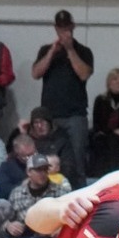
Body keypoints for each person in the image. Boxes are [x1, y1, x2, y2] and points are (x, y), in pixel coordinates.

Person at [30, 11, 92, 184]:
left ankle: (80, 193)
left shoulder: (83, 51)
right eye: (60, 28)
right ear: (56, 29)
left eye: (67, 27)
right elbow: (36, 73)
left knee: (78, 159)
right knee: (48, 159)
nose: (64, 31)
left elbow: (84, 74)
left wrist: (70, 49)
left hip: (75, 115)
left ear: (72, 27)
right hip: (51, 115)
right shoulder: (46, 50)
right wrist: (51, 52)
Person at [89, 67, 119, 177]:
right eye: (115, 79)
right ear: (109, 82)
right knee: (98, 141)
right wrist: (112, 131)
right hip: (104, 134)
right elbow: (97, 124)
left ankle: (117, 176)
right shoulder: (100, 100)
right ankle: (97, 178)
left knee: (114, 140)